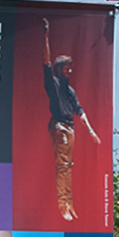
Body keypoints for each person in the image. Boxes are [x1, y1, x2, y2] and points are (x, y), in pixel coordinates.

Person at [42, 18, 104, 223]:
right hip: (59, 126)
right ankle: (63, 204)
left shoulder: (70, 90)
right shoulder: (54, 83)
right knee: (63, 166)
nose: (69, 71)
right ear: (59, 70)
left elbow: (80, 111)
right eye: (66, 68)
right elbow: (46, 63)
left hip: (70, 127)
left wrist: (92, 132)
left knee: (68, 166)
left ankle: (69, 203)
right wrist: (46, 37)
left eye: (70, 68)